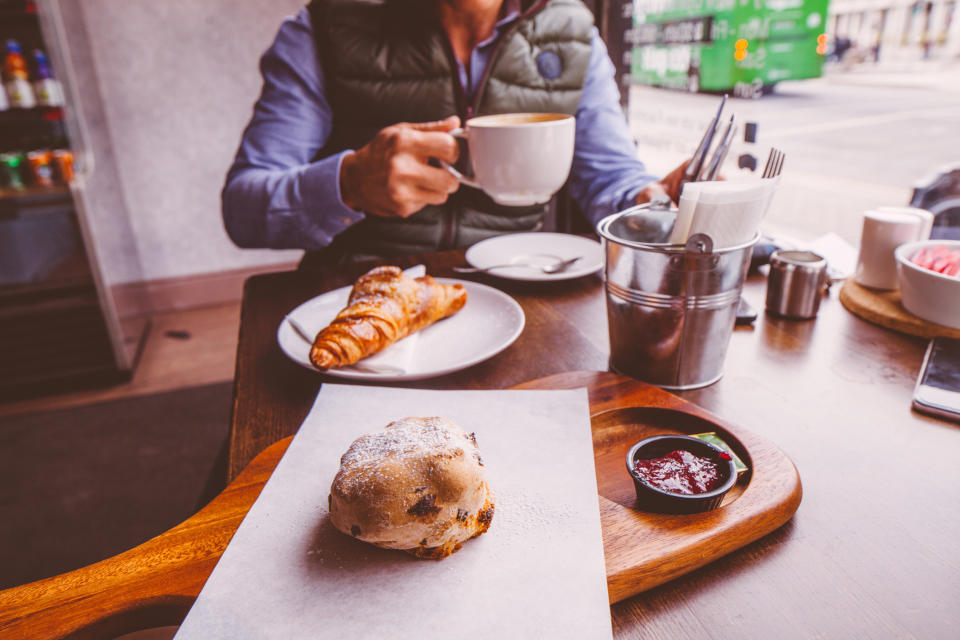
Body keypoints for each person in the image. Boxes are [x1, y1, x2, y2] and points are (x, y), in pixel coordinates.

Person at [222, 0, 686, 263]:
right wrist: (348, 184)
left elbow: (610, 179)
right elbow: (243, 209)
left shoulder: (576, 34)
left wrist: (656, 200)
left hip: (523, 285)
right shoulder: (322, 29)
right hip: (360, 289)